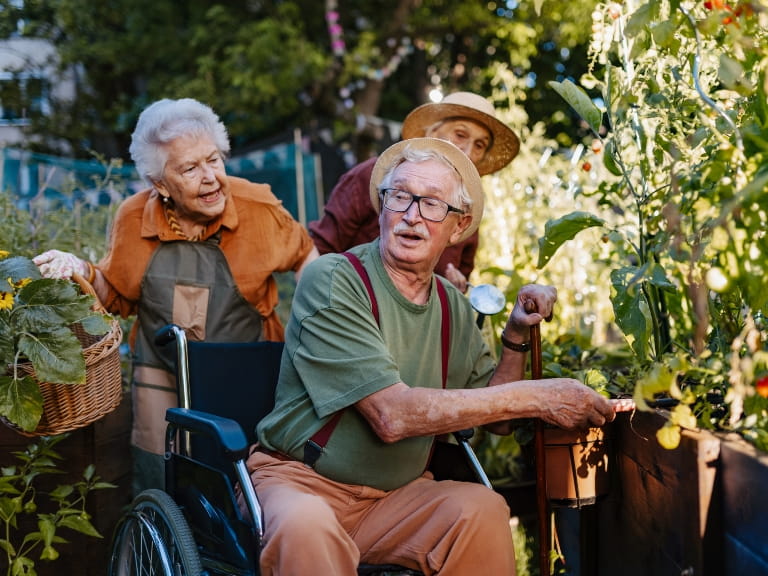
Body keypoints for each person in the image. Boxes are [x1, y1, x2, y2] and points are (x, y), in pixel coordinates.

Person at [244, 138, 617, 575]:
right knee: (306, 528)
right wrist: (537, 396)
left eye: (433, 204)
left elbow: (496, 417)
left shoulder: (455, 308)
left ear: (458, 229)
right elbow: (391, 417)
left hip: (396, 498)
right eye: (400, 196)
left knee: (481, 510)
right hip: (305, 486)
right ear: (382, 209)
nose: (412, 214)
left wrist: (515, 332)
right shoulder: (335, 280)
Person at [33, 98, 319, 495]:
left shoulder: (257, 207)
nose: (211, 178)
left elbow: (308, 258)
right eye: (190, 168)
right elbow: (115, 295)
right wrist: (81, 269)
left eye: (214, 160)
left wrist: (311, 328)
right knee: (161, 476)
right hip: (161, 372)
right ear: (160, 184)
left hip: (245, 366)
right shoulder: (133, 218)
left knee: (249, 478)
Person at [309, 91, 520, 293]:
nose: (467, 151)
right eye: (460, 134)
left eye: (479, 145)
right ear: (432, 132)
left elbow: (456, 286)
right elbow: (318, 254)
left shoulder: (465, 214)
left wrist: (454, 291)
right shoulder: (377, 177)